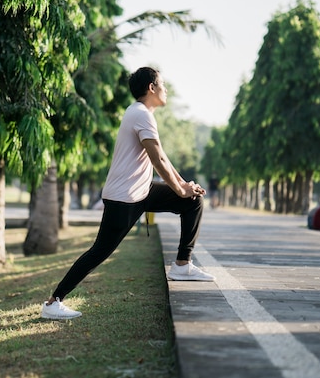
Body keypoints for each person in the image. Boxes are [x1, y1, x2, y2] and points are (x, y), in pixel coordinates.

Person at [41, 67, 215, 320]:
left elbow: (162, 156)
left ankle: (182, 265)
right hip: (123, 197)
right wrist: (180, 189)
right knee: (99, 251)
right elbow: (157, 159)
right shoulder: (140, 114)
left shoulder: (141, 114)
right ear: (151, 88)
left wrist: (184, 185)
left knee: (193, 200)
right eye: (162, 84)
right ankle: (53, 302)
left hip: (140, 191)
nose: (166, 89)